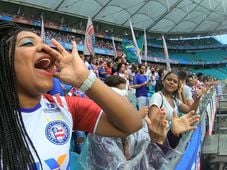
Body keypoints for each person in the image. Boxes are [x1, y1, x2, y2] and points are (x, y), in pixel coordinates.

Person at [0, 21, 143, 169]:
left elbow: (132, 123)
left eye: (44, 43)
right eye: (28, 43)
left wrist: (84, 79)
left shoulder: (65, 106)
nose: (46, 48)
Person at [75, 75, 200, 169]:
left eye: (126, 96)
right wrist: (156, 143)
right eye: (118, 97)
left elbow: (152, 148)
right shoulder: (100, 138)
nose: (124, 102)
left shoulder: (132, 128)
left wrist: (172, 135)